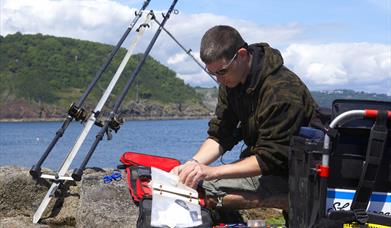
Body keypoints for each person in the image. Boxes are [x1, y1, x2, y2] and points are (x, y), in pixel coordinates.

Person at [171, 25, 319, 211]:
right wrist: (193, 165)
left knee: (207, 191)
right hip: (265, 162)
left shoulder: (281, 91)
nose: (218, 79)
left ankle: (287, 202)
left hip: (296, 172)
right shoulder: (230, 81)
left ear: (241, 54)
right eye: (212, 73)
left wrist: (212, 172)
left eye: (222, 71)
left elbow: (271, 158)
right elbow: (220, 134)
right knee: (189, 184)